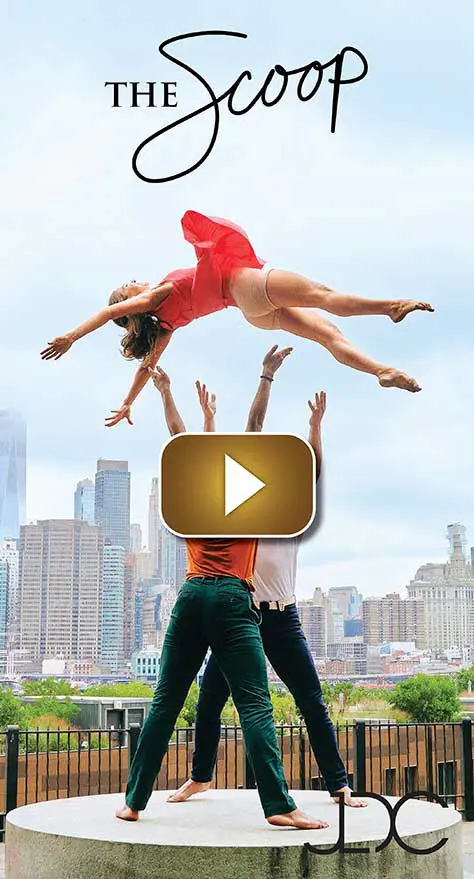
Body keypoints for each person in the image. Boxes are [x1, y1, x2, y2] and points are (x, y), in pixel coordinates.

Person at [115, 348, 328, 830]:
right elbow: (253, 430)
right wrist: (266, 376)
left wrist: (167, 393)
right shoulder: (255, 503)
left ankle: (133, 801)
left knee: (166, 700)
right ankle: (278, 806)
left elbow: (181, 438)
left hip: (190, 598)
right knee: (254, 702)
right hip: (233, 599)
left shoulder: (195, 496)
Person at [151, 345, 366, 810]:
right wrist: (250, 384)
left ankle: (339, 784)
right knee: (209, 701)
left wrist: (314, 430)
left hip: (282, 618)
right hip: (240, 617)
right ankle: (201, 778)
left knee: (311, 700)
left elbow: (313, 467)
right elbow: (219, 443)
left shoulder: (290, 509)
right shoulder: (237, 512)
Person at [40, 211, 434, 429]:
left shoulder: (164, 327)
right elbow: (110, 312)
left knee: (328, 335)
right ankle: (392, 306)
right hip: (245, 287)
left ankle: (382, 371)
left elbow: (147, 368)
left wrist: (127, 403)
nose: (134, 282)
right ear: (131, 301)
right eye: (128, 286)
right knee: (324, 297)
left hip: (251, 312)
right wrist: (71, 336)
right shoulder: (156, 295)